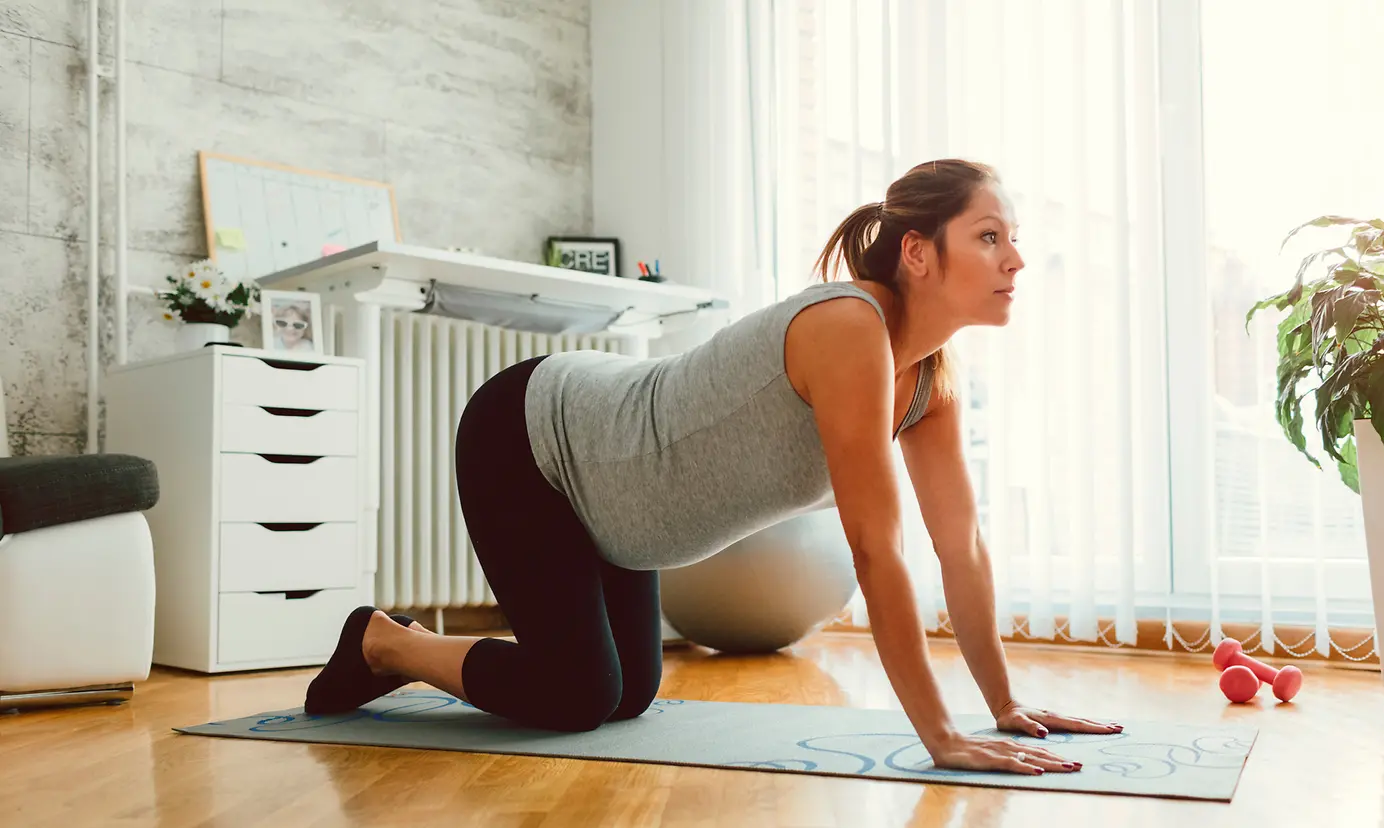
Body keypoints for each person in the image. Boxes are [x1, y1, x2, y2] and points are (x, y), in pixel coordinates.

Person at [305, 159, 1123, 775]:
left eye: (1014, 238)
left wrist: (1003, 705)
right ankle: (386, 644)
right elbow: (877, 551)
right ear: (918, 251)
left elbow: (962, 549)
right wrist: (939, 736)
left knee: (627, 697)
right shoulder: (848, 328)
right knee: (577, 695)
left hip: (618, 504)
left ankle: (417, 650)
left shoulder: (929, 385)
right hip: (535, 440)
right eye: (990, 236)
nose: (1015, 258)